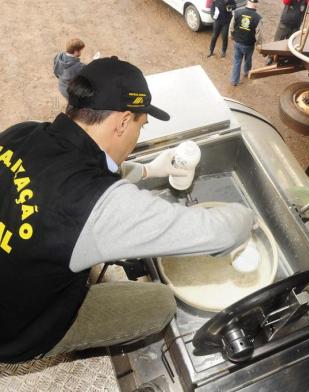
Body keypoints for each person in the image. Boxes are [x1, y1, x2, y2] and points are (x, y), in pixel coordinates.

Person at [0, 56, 254, 363]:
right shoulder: (92, 207)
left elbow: (71, 171)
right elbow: (223, 232)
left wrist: (146, 171)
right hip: (15, 331)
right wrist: (249, 217)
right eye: (140, 126)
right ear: (122, 122)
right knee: (159, 305)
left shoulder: (22, 132)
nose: (137, 138)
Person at [266, 0, 309, 65]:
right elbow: (286, 2)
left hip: (296, 25)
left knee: (290, 44)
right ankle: (271, 57)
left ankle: (282, 58)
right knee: (277, 40)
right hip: (285, 23)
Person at [229, 0, 263, 86]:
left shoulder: (237, 12)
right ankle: (247, 72)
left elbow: (231, 27)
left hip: (237, 42)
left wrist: (231, 36)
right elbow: (258, 35)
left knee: (237, 61)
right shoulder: (258, 18)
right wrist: (259, 44)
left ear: (247, 2)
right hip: (249, 44)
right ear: (256, 5)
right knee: (248, 60)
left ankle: (234, 81)